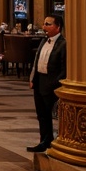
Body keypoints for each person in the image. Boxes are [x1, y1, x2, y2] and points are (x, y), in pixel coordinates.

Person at [27, 13, 66, 153]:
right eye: (44, 24)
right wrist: (33, 78)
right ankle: (44, 140)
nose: (44, 27)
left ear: (58, 27)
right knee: (42, 115)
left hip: (51, 84)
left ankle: (50, 140)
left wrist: (55, 84)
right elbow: (37, 61)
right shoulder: (44, 41)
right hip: (39, 82)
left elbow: (64, 68)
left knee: (50, 113)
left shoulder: (63, 44)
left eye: (48, 24)